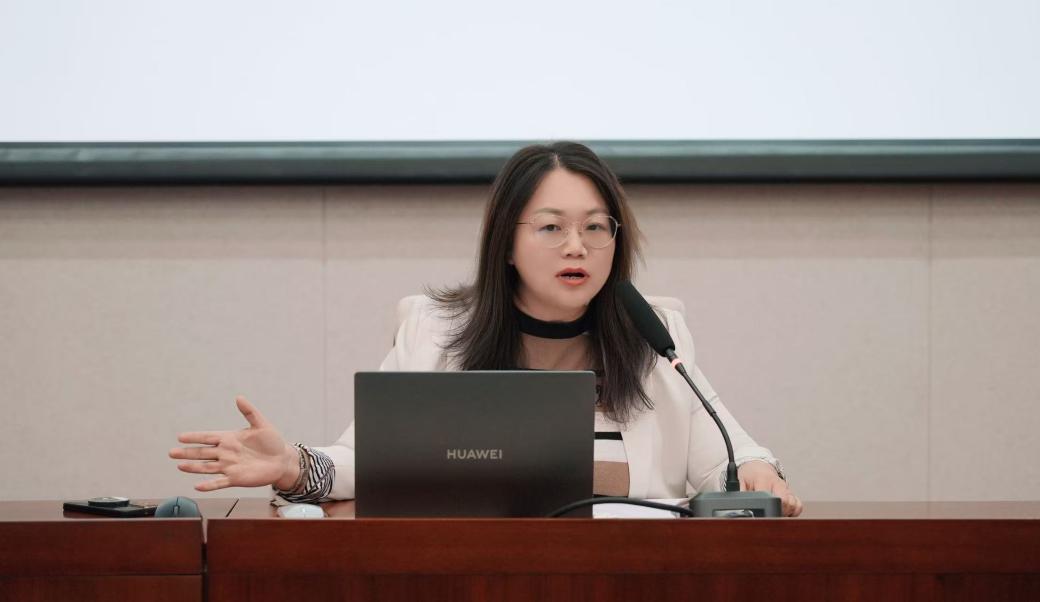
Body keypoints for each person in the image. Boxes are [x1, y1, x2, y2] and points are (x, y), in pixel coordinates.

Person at [169, 141, 803, 517]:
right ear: (507, 243)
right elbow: (367, 464)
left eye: (595, 227)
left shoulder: (653, 334)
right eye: (551, 227)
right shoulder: (436, 329)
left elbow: (729, 457)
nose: (576, 246)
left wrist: (758, 472)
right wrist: (289, 465)